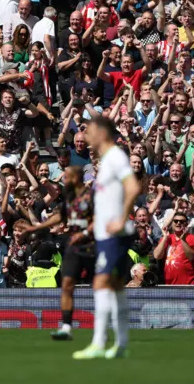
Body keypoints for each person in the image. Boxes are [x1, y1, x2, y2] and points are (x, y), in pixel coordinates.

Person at [73, 116, 141, 360]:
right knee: (116, 288)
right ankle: (121, 343)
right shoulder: (106, 160)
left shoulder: (115, 157)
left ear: (102, 133)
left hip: (116, 235)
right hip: (105, 234)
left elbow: (133, 187)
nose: (86, 136)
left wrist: (122, 219)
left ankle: (99, 342)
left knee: (101, 283)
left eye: (89, 131)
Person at [24, 166, 96, 340]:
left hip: (91, 247)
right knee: (67, 284)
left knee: (99, 288)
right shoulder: (70, 197)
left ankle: (102, 326)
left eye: (67, 176)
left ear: (76, 178)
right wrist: (38, 226)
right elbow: (60, 216)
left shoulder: (92, 196)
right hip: (73, 247)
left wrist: (84, 233)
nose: (64, 179)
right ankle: (66, 327)